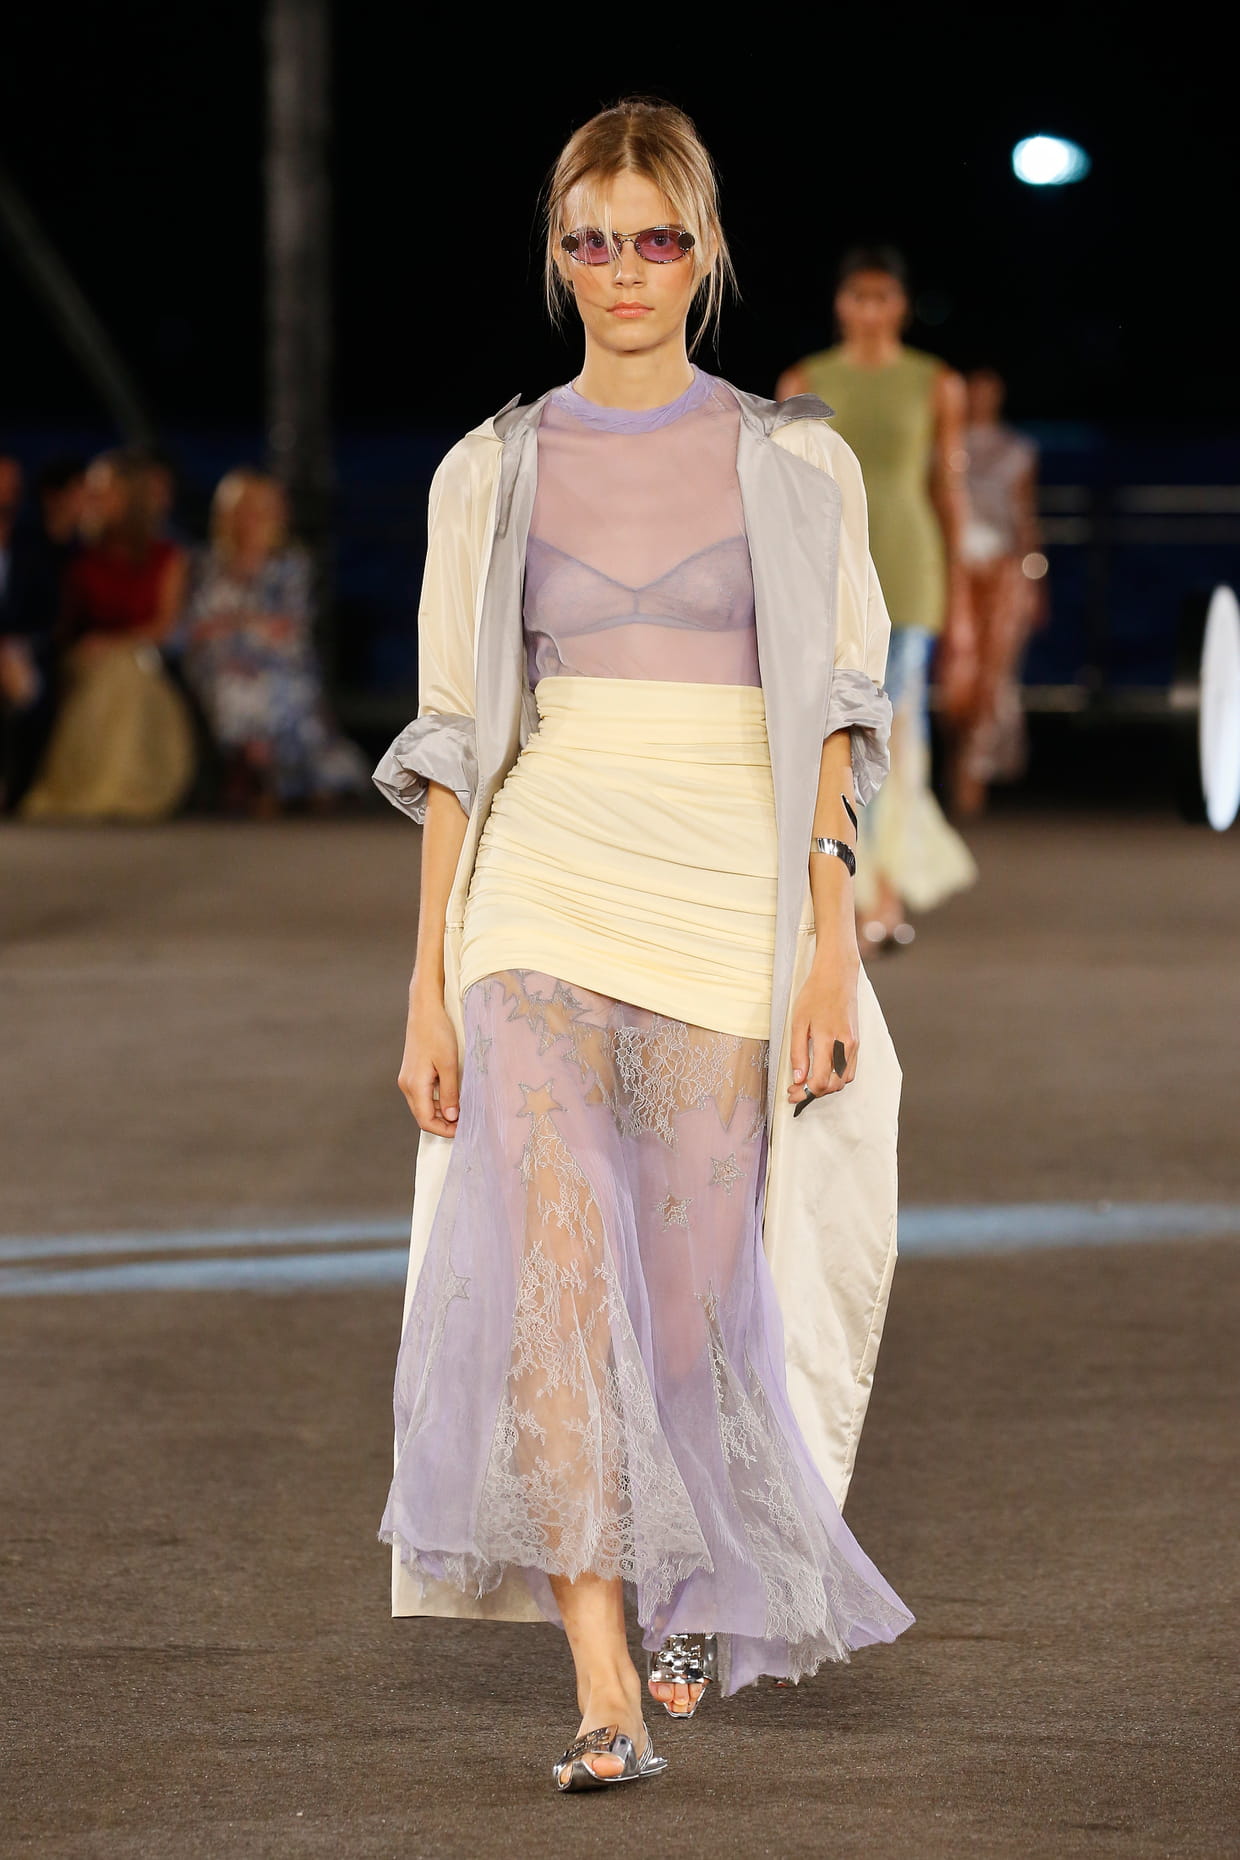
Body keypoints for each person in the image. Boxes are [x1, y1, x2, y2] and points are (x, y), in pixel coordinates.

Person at [373, 98, 913, 1796]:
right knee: (551, 1269)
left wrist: (829, 948)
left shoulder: (794, 461)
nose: (623, 270)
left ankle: (686, 1580)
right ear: (558, 254)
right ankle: (601, 1687)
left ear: (704, 251)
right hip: (544, 875)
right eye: (591, 240)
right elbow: (455, 735)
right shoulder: (493, 467)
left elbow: (841, 712)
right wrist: (427, 980)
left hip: (726, 889)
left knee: (686, 1307)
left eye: (655, 238)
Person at [777, 248, 976, 948]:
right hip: (828, 570)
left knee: (893, 730)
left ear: (902, 304)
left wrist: (962, 600)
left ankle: (881, 890)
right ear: (840, 303)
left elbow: (947, 488)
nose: (869, 309)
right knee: (829, 727)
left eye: (882, 295)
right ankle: (839, 889)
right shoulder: (805, 380)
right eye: (857, 295)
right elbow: (786, 492)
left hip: (910, 567)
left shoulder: (936, 381)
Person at [21, 448, 194, 822]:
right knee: (111, 674)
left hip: (141, 660)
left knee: (125, 673)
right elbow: (58, 623)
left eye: (106, 491)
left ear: (130, 497)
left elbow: (165, 625)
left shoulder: (167, 556)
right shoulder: (77, 554)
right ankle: (88, 786)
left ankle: (122, 786)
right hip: (85, 659)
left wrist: (117, 644)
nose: (96, 498)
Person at [181, 470, 366, 815]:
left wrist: (236, 624)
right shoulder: (206, 564)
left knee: (285, 688)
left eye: (267, 509)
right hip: (218, 664)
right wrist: (250, 626)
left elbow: (289, 629)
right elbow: (196, 628)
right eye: (249, 510)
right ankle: (260, 776)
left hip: (279, 662)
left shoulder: (291, 565)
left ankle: (288, 779)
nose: (259, 519)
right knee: (238, 687)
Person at [949, 367, 1044, 816]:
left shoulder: (1015, 449)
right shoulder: (943, 442)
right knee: (959, 671)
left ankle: (974, 769)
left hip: (1004, 568)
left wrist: (1035, 577)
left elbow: (1025, 515)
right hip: (956, 569)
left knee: (995, 668)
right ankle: (956, 759)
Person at [0, 457, 86, 810]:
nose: (7, 495)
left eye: (12, 487)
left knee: (20, 678)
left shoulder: (32, 549)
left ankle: (13, 785)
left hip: (19, 654)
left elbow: (46, 617)